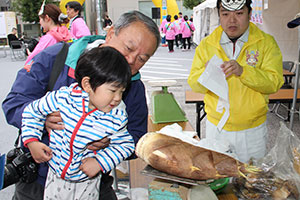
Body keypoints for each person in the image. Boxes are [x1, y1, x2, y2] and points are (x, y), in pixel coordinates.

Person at [2, 10, 160, 200]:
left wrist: (107, 146)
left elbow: (136, 138)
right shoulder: (58, 58)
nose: (131, 60)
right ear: (110, 34)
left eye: (142, 58)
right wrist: (43, 120)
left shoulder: (133, 87)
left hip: (92, 183)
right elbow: (14, 103)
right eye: (128, 48)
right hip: (37, 181)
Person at [21, 46, 134, 199]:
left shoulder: (116, 116)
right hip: (54, 177)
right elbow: (32, 112)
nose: (118, 98)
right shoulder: (62, 98)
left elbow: (126, 145)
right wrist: (32, 141)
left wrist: (100, 162)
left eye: (122, 91)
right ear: (87, 84)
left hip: (87, 183)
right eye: (113, 91)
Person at [187, 0, 284, 163]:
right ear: (219, 15)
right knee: (218, 180)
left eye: (239, 14)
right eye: (225, 14)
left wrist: (243, 71)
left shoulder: (266, 42)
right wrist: (207, 74)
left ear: (250, 14)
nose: (232, 20)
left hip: (252, 131)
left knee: (251, 181)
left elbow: (274, 82)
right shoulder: (206, 44)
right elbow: (194, 83)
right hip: (216, 128)